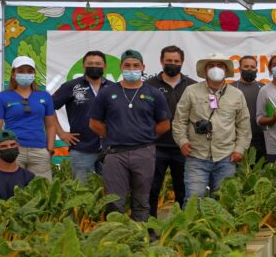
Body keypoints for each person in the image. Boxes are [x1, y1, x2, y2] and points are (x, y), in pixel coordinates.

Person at [89, 50, 171, 222]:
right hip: (115, 154)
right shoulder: (107, 92)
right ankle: (115, 239)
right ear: (120, 67)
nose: (131, 69)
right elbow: (94, 123)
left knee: (142, 200)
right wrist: (114, 134)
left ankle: (139, 237)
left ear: (143, 68)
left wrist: (145, 135)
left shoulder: (154, 93)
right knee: (114, 201)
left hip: (144, 152)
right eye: (127, 65)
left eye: (136, 65)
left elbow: (164, 124)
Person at [173, 54, 251, 200]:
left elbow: (243, 126)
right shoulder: (191, 91)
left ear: (226, 70)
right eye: (211, 66)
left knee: (224, 201)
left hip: (227, 157)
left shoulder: (237, 95)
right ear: (205, 70)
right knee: (193, 200)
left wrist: (240, 149)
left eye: (220, 66)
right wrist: (182, 141)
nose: (216, 69)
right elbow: (179, 120)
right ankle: (193, 224)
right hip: (196, 155)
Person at [146, 45, 196, 214]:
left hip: (184, 148)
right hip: (155, 147)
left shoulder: (193, 86)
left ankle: (181, 229)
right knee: (151, 190)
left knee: (183, 191)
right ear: (161, 61)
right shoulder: (148, 85)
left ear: (182, 62)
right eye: (169, 61)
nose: (172, 64)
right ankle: (149, 228)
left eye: (176, 61)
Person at [0, 56, 55, 180]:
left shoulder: (45, 96)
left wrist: (50, 150)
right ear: (13, 74)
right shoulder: (1, 97)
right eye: (21, 71)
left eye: (29, 71)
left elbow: (51, 126)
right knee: (13, 191)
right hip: (12, 151)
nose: (26, 74)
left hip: (40, 151)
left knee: (43, 192)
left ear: (34, 74)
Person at [52, 50, 113, 181]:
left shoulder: (114, 88)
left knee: (111, 191)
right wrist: (61, 133)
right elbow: (49, 107)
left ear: (105, 66)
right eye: (90, 63)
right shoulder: (71, 86)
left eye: (98, 63)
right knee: (82, 193)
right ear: (83, 66)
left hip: (110, 149)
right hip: (81, 149)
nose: (94, 66)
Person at [256, 55, 276, 167]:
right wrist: (273, 119)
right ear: (270, 70)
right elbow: (259, 119)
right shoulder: (264, 91)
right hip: (274, 147)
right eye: (274, 65)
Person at [230, 55, 266, 158]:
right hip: (236, 140)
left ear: (257, 69)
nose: (249, 69)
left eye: (252, 67)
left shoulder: (264, 88)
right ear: (239, 69)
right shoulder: (230, 88)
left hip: (261, 139)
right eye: (246, 67)